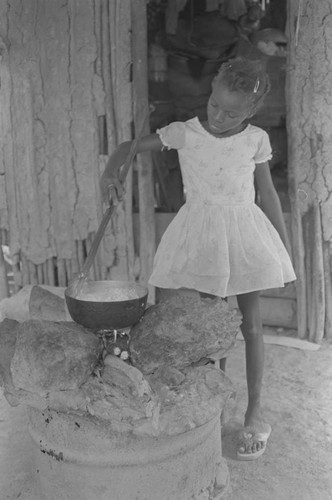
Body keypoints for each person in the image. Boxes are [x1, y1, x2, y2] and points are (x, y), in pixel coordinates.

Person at [100, 57, 296, 461]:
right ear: (209, 93)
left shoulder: (256, 139)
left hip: (243, 237)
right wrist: (110, 173)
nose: (219, 117)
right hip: (202, 238)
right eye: (214, 106)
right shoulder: (185, 134)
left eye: (232, 112)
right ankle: (214, 405)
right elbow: (127, 148)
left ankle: (255, 412)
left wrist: (283, 243)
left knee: (253, 326)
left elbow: (269, 194)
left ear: (252, 112)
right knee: (210, 328)